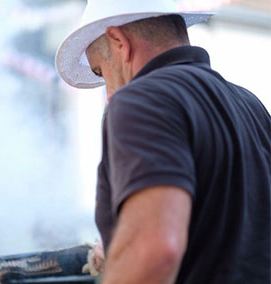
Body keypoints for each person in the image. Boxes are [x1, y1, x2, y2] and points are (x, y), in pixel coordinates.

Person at [55, 0, 271, 283]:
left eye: (101, 71)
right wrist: (123, 248)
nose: (109, 94)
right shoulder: (249, 104)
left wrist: (135, 255)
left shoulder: (141, 99)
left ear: (119, 42)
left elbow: (155, 251)